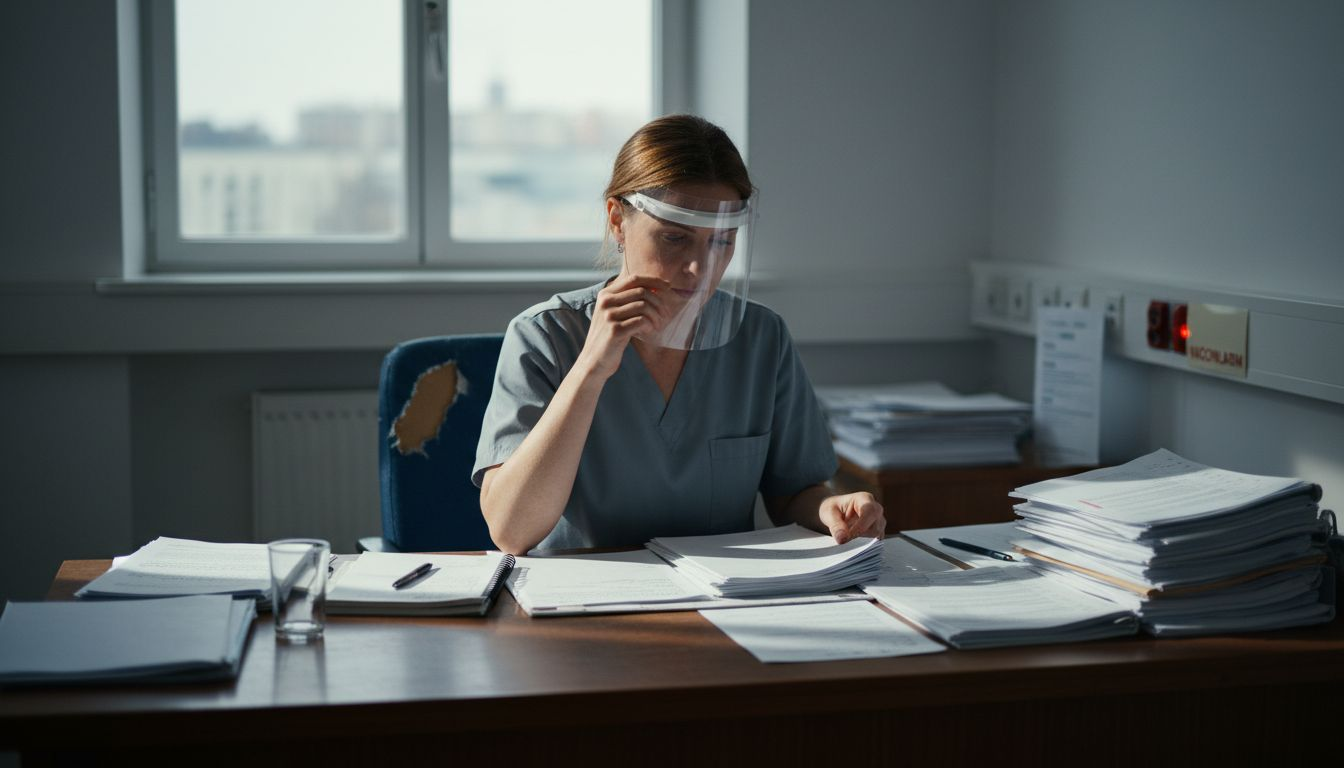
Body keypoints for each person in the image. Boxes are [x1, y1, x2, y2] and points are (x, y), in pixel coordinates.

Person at [473, 114, 885, 555]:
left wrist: (829, 508)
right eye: (674, 238)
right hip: (582, 592)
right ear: (617, 220)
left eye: (721, 241)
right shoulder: (545, 336)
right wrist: (590, 370)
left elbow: (794, 492)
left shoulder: (761, 339)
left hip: (724, 589)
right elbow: (511, 531)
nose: (699, 268)